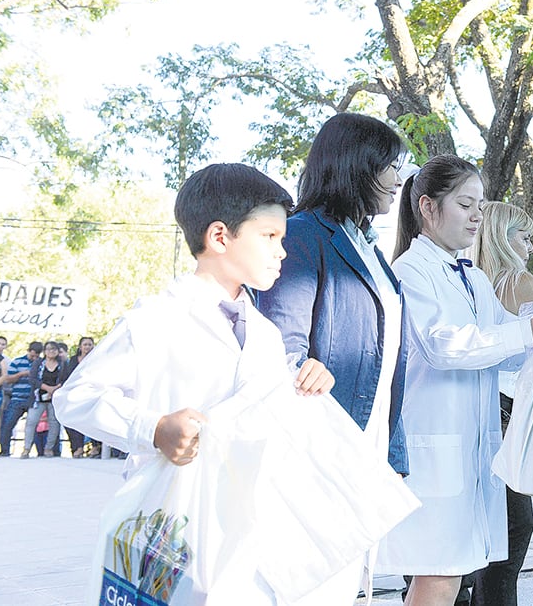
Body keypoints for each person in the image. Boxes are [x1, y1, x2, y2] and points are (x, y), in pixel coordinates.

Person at [54, 163, 399, 604]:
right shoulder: (156, 320)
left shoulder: (264, 332)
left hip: (256, 529)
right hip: (179, 524)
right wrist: (153, 428)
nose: (282, 252)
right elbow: (78, 397)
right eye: (270, 237)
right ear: (220, 237)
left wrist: (307, 379)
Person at [376, 155, 533, 606]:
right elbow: (444, 345)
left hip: (472, 452)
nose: (476, 216)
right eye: (465, 205)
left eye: (480, 205)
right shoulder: (412, 272)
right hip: (436, 452)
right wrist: (526, 331)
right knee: (438, 577)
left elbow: (505, 341)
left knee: (452, 577)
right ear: (428, 208)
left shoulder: (471, 277)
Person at [257, 112, 410, 597]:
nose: (397, 179)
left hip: (366, 443)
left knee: (349, 585)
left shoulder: (367, 244)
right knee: (316, 587)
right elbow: (281, 351)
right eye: (391, 165)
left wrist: (391, 447)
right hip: (321, 448)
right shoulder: (303, 235)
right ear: (356, 165)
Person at [466, 201, 533, 606]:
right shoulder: (519, 281)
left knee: (480, 530)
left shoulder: (470, 280)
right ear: (502, 237)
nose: (531, 246)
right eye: (524, 236)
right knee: (514, 526)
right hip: (508, 409)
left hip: (475, 407)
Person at [0, 341, 43, 457]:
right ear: (28, 351)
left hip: (34, 399)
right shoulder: (17, 361)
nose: (34, 358)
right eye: (32, 355)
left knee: (35, 426)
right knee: (8, 424)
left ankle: (38, 451)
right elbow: (8, 379)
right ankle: (4, 451)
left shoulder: (42, 363)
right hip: (17, 398)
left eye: (36, 356)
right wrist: (22, 374)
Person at [21, 340, 65, 457]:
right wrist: (47, 388)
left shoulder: (62, 363)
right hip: (38, 397)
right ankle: (26, 448)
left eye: (54, 349)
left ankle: (48, 448)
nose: (51, 352)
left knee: (54, 423)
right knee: (31, 421)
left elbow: (66, 379)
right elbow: (32, 379)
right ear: (44, 351)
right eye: (49, 349)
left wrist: (55, 389)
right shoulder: (38, 363)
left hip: (55, 397)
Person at [61, 336, 96, 458]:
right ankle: (77, 447)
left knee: (91, 420)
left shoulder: (97, 360)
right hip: (74, 395)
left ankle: (96, 446)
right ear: (80, 347)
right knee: (72, 421)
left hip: (91, 394)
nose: (87, 347)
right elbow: (66, 377)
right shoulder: (73, 360)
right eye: (85, 344)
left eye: (90, 344)